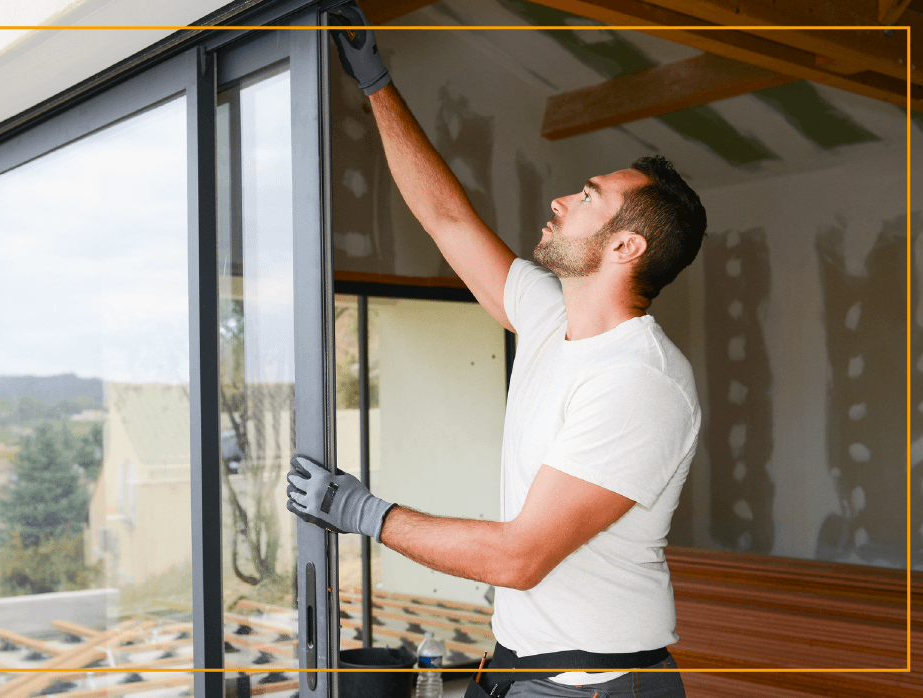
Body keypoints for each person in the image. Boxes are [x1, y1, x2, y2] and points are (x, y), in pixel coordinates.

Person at [284, 4, 708, 698]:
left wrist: (364, 513)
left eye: (589, 196)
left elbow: (521, 556)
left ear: (626, 247)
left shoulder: (640, 380)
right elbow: (447, 220)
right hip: (522, 672)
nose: (563, 199)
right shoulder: (549, 318)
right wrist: (375, 82)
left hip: (594, 688)